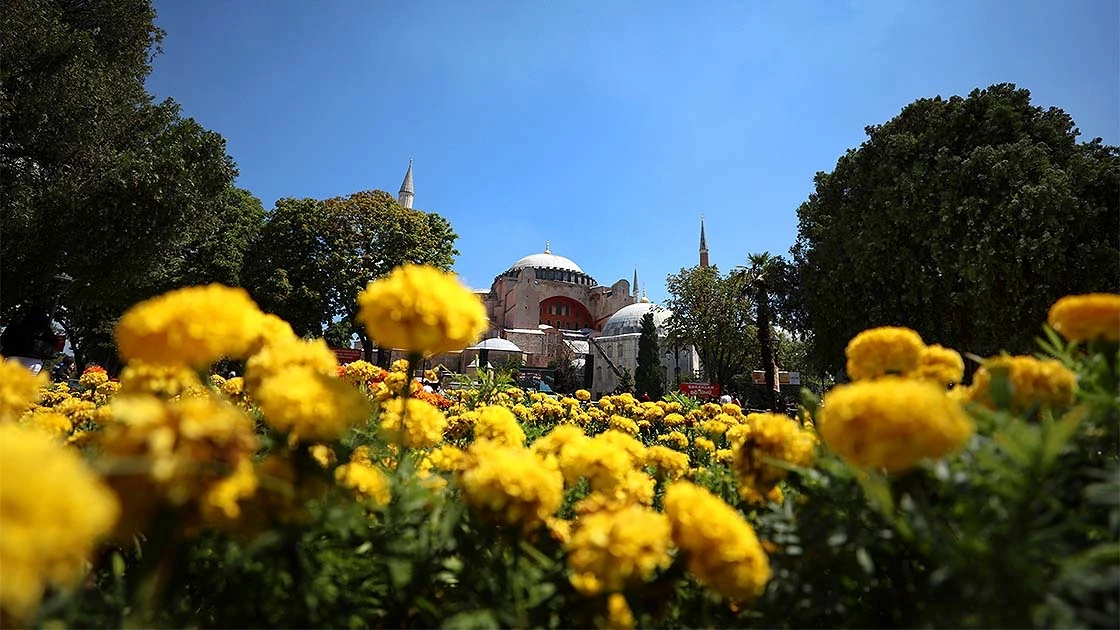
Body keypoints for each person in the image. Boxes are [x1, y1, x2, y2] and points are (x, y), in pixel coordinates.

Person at [0, 306, 61, 375]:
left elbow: (3, 340)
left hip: (14, 358)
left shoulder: (18, 326)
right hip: (34, 361)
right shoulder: (45, 330)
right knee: (26, 384)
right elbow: (54, 343)